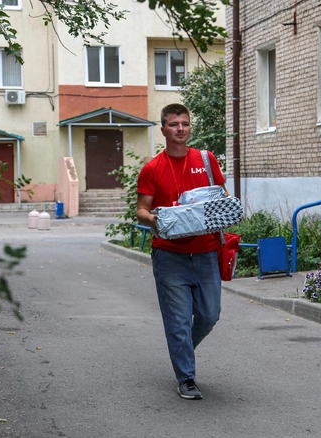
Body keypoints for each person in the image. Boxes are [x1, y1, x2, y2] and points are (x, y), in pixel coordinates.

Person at [136, 103, 228, 400]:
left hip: (205, 252)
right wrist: (155, 220)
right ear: (163, 129)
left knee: (209, 315)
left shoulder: (206, 159)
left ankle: (181, 349)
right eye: (174, 124)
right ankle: (186, 377)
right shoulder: (152, 168)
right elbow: (141, 209)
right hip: (169, 254)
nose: (180, 129)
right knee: (177, 321)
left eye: (185, 124)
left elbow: (222, 197)